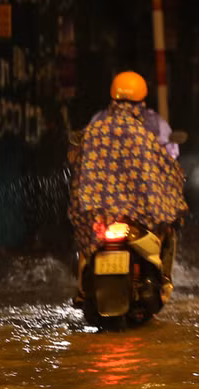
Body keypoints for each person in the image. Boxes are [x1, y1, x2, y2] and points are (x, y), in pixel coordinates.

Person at [68, 71, 188, 306]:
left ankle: (82, 287)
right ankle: (163, 279)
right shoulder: (151, 126)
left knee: (84, 228)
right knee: (168, 223)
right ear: (142, 99)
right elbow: (169, 161)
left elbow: (78, 159)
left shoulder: (97, 123)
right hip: (140, 209)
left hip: (100, 209)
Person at [88, 72, 179, 159]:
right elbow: (172, 153)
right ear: (143, 94)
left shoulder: (99, 119)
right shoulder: (155, 121)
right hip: (145, 174)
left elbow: (85, 147)